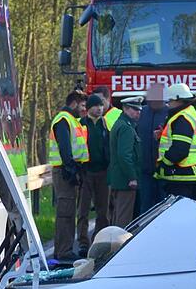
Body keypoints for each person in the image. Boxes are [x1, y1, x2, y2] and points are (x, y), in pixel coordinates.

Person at [48, 91, 89, 261]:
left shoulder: (71, 120)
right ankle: (63, 252)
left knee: (68, 212)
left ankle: (64, 250)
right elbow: (65, 148)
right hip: (64, 171)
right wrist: (71, 170)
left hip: (68, 170)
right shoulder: (63, 120)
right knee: (65, 213)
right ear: (74, 103)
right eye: (82, 105)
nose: (84, 109)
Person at [156, 82, 196, 204]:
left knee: (178, 211)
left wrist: (164, 164)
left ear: (179, 100)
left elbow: (180, 150)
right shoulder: (186, 114)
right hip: (183, 174)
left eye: (170, 101)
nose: (168, 104)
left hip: (180, 174)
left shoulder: (182, 118)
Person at [77, 93, 110, 256]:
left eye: (101, 105)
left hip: (103, 171)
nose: (99, 108)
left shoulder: (105, 124)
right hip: (86, 172)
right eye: (96, 106)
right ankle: (83, 243)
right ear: (89, 108)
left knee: (103, 211)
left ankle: (99, 242)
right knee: (83, 210)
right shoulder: (81, 124)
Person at [107, 95, 143, 227]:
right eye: (135, 109)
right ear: (126, 109)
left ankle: (114, 239)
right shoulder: (126, 128)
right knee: (124, 218)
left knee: (117, 214)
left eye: (139, 110)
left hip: (119, 179)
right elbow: (124, 155)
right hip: (125, 181)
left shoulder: (121, 124)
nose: (138, 112)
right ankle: (120, 240)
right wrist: (132, 177)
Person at [136, 82, 168, 213]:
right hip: (145, 171)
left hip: (163, 171)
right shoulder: (142, 112)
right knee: (145, 208)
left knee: (164, 208)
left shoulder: (169, 113)